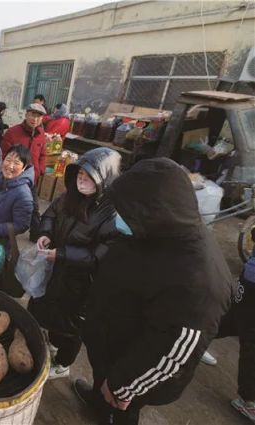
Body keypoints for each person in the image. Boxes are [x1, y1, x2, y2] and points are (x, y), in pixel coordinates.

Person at [75, 158, 235, 425]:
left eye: (125, 211)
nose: (118, 216)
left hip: (133, 370)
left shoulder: (198, 280)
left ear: (153, 211)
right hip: (111, 341)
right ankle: (98, 400)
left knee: (123, 408)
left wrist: (123, 385)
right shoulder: (155, 230)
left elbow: (173, 350)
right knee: (102, 385)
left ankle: (112, 407)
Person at [28, 147, 121, 380]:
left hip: (81, 282)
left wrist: (62, 254)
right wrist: (46, 232)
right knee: (44, 306)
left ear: (104, 180)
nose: (82, 180)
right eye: (79, 174)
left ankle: (63, 364)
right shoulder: (69, 196)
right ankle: (49, 344)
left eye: (89, 177)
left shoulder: (111, 214)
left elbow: (100, 255)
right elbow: (50, 214)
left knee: (70, 325)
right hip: (55, 270)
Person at [214, 227, 255, 422]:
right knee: (250, 340)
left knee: (229, 322)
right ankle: (248, 401)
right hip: (252, 286)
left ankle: (184, 340)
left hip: (249, 283)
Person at [1, 103, 47, 183]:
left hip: (32, 179)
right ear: (26, 115)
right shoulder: (12, 132)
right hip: (13, 178)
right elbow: (4, 155)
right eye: (32, 115)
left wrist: (39, 171)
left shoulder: (41, 134)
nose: (35, 119)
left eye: (39, 116)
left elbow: (43, 154)